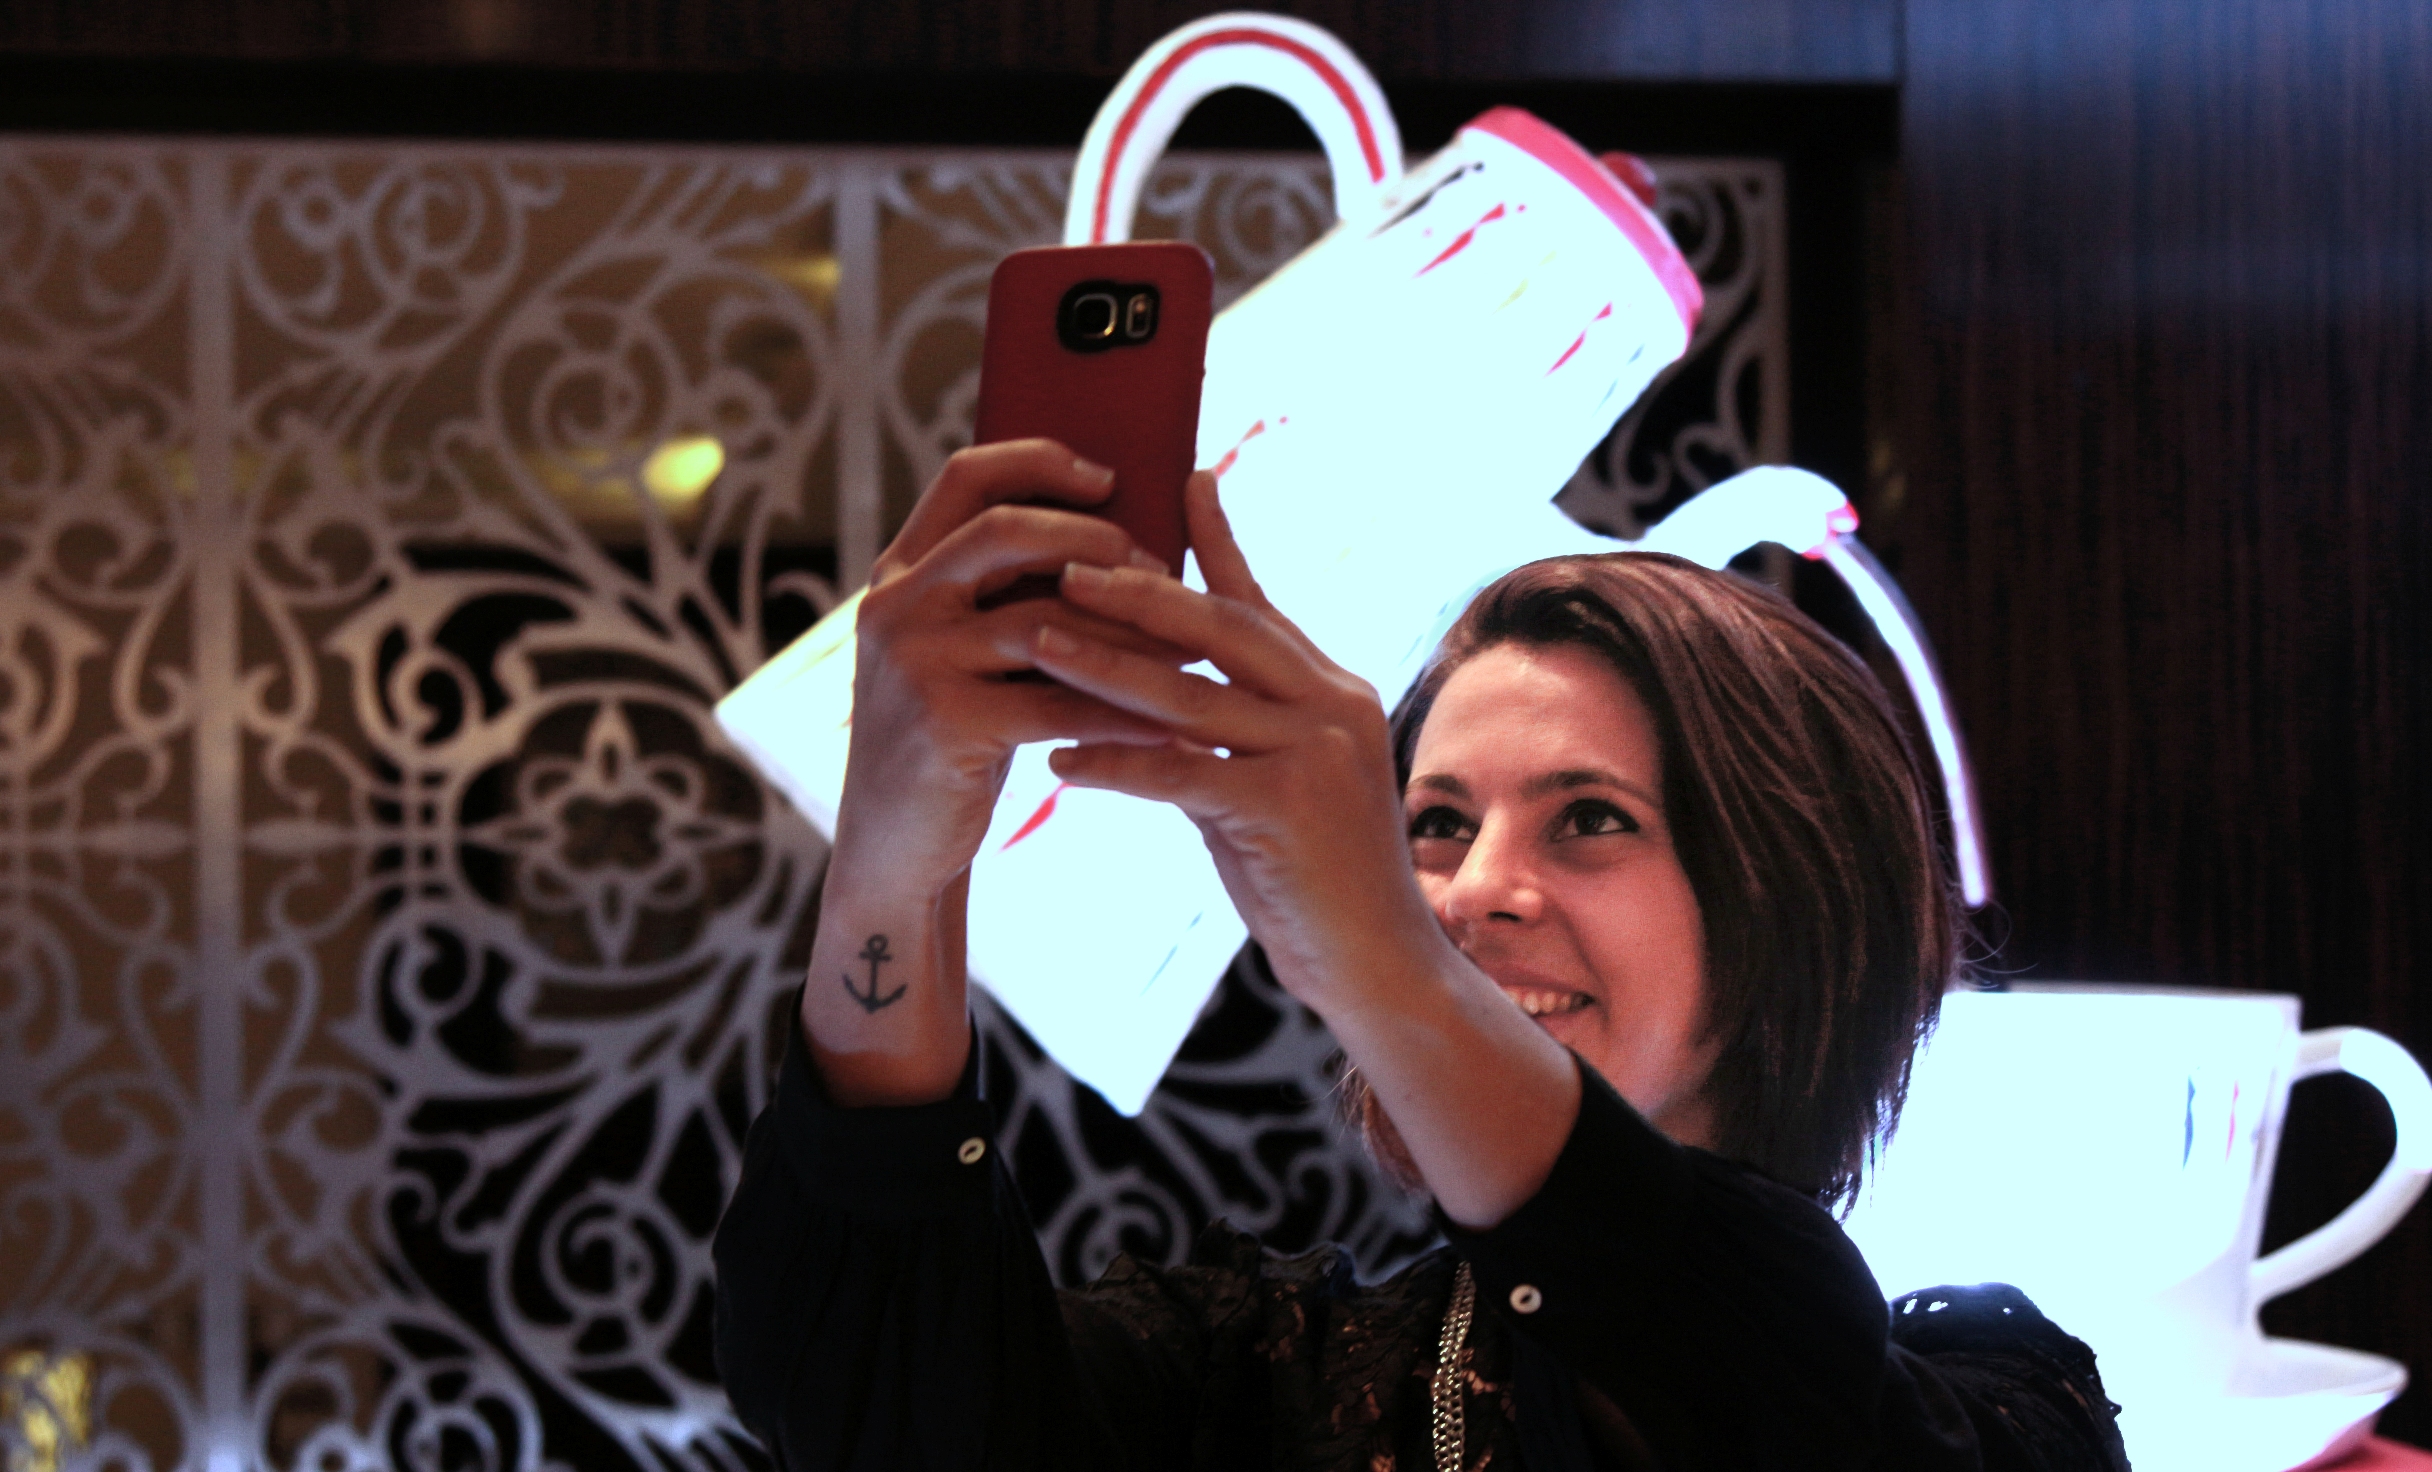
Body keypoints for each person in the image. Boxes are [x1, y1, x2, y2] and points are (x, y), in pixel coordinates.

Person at [713, 440, 2130, 1471]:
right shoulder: (1257, 1377)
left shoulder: (1996, 1404)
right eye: (1435, 824)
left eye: (1590, 819)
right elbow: (883, 1405)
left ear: (1790, 906)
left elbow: (1742, 1371)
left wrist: (1386, 963)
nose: (1474, 891)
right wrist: (893, 861)